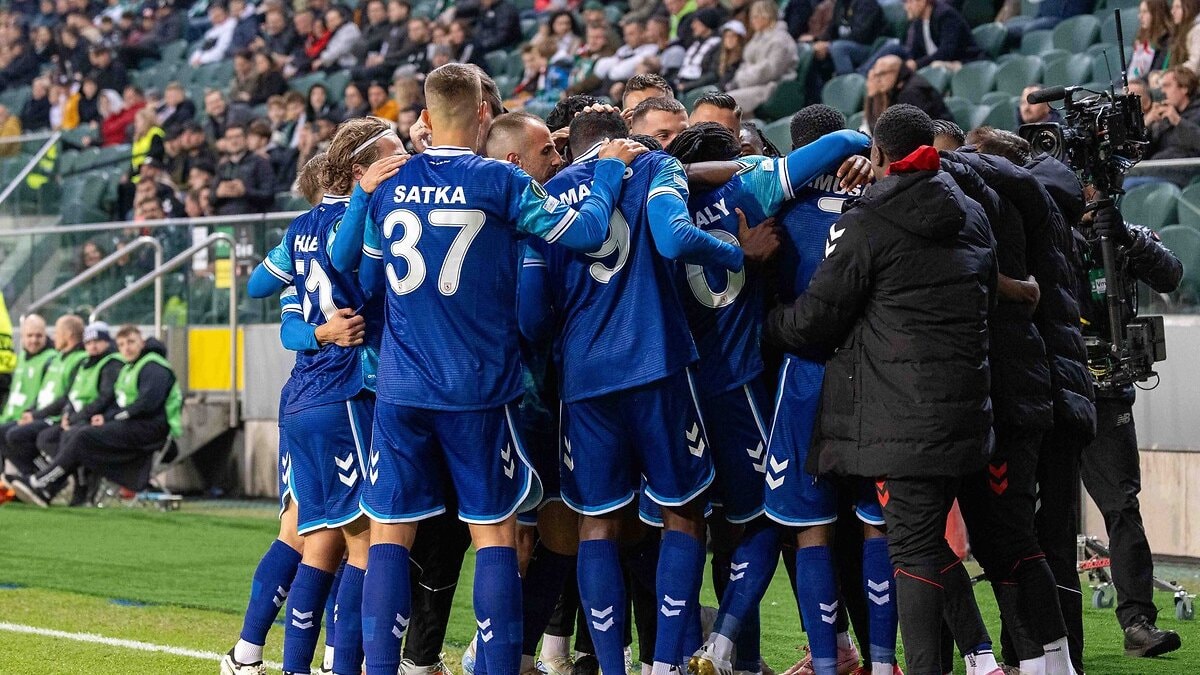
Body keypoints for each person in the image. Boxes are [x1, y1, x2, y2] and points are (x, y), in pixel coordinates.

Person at [342, 63, 642, 675]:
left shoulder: (390, 179)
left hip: (401, 389)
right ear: (484, 113)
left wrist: (363, 195)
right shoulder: (500, 180)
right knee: (496, 535)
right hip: (477, 389)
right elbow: (587, 231)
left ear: (425, 118)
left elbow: (359, 271)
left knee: (390, 535)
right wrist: (610, 167)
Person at [763, 104, 1002, 675]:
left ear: (877, 153)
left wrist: (768, 321)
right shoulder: (969, 210)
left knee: (896, 545)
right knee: (917, 536)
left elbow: (815, 320)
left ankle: (875, 661)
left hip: (887, 410)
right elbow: (989, 291)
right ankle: (978, 658)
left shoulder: (861, 217)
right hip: (964, 410)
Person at [518, 108, 739, 675]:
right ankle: (665, 663)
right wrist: (735, 250)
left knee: (596, 522)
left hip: (585, 383)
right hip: (657, 363)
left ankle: (608, 665)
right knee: (683, 513)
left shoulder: (545, 195)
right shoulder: (654, 166)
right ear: (623, 140)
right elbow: (671, 236)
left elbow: (532, 316)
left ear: (575, 149)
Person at [1077, 198, 1184, 659]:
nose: (1090, 194)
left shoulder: (1120, 234)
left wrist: (1123, 235)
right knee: (1037, 517)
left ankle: (1138, 623)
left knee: (1122, 507)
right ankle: (1035, 640)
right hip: (1047, 388)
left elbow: (1171, 274)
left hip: (1107, 391)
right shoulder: (1039, 227)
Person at [8, 321, 124, 507]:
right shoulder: (85, 363)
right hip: (74, 419)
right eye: (89, 342)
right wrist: (67, 414)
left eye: (98, 341)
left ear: (107, 342)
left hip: (94, 422)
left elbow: (104, 398)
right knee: (47, 438)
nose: (93, 346)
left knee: (70, 438)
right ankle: (43, 480)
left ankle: (49, 483)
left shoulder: (110, 364)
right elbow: (72, 394)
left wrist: (72, 418)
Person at [726, 0, 799, 113]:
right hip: (752, 83)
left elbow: (770, 71)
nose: (752, 21)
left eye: (756, 17)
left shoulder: (780, 40)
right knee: (722, 99)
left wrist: (741, 79)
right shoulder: (757, 37)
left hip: (772, 87)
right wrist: (739, 79)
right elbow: (746, 63)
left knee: (727, 102)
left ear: (767, 16)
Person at [863, 55, 952, 130]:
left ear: (895, 71)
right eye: (876, 74)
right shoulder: (896, 88)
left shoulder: (913, 91)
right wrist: (873, 97)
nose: (878, 80)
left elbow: (915, 130)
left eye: (882, 74)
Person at [0, 314, 55, 435]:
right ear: (22, 337)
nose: (34, 340)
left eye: (39, 336)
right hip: (9, 415)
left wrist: (32, 413)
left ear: (45, 335)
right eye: (29, 335)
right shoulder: (21, 357)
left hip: (28, 418)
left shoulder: (51, 359)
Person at [212, 124, 276, 215]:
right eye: (229, 138)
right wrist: (218, 193)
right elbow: (211, 198)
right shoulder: (222, 166)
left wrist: (245, 192)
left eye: (237, 137)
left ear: (246, 139)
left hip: (251, 217)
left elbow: (269, 195)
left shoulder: (261, 163)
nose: (233, 141)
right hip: (224, 218)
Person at [1144, 66, 1200, 159]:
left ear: (1184, 88)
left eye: (1167, 86)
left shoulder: (1197, 112)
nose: (1162, 91)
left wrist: (1178, 121)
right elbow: (1146, 153)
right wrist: (1147, 125)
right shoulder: (1166, 115)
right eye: (1161, 87)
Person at [1130, 0, 1172, 80]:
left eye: (1145, 12)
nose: (1140, 16)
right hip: (1130, 83)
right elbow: (1128, 69)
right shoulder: (1140, 40)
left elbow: (1155, 72)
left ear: (1157, 14)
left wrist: (1132, 84)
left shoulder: (1167, 41)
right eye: (1140, 12)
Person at [190, 1, 237, 66]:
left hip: (221, 62)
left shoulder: (231, 26)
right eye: (212, 13)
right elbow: (202, 49)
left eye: (217, 13)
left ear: (225, 13)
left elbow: (221, 52)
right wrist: (195, 58)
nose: (214, 15)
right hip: (206, 61)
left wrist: (202, 60)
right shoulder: (212, 31)